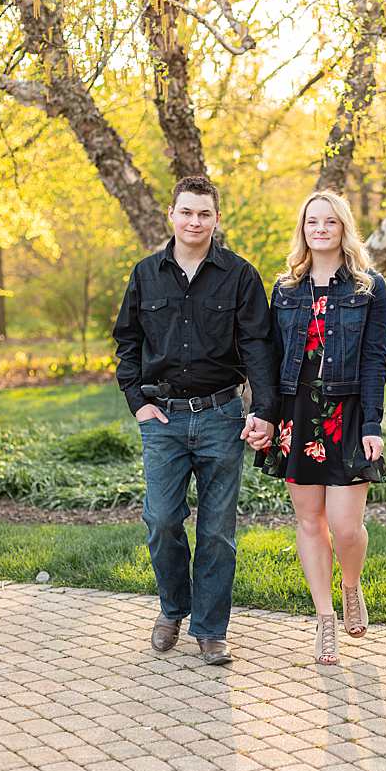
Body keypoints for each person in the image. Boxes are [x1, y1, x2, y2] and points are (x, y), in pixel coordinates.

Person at [112, 176, 279, 665]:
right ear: (172, 214)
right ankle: (172, 608)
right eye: (187, 212)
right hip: (162, 419)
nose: (195, 221)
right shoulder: (146, 274)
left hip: (221, 416)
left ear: (216, 219)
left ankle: (210, 629)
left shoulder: (240, 276)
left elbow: (258, 348)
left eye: (204, 214)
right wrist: (137, 403)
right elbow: (126, 342)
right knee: (162, 520)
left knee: (217, 532)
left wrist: (263, 409)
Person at [255, 190, 386, 666]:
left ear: (343, 228)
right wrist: (266, 415)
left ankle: (351, 586)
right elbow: (269, 360)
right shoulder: (286, 289)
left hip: (347, 414)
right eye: (312, 221)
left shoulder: (368, 287)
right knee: (310, 521)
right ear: (303, 228)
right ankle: (325, 619)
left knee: (346, 526)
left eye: (329, 222)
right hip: (297, 415)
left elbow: (375, 359)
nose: (320, 229)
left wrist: (372, 423)